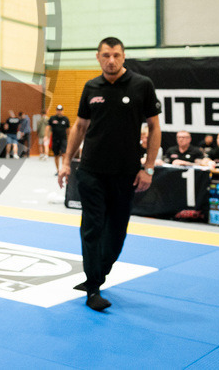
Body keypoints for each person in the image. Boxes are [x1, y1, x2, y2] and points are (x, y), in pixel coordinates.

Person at [58, 37, 160, 312]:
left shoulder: (142, 85)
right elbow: (80, 126)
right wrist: (67, 162)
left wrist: (148, 167)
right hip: (91, 171)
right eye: (105, 55)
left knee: (116, 232)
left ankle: (99, 272)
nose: (111, 60)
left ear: (124, 56)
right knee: (92, 227)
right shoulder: (91, 87)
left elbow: (154, 127)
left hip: (126, 172)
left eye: (115, 55)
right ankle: (93, 288)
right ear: (98, 57)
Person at [48, 105, 70, 176]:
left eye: (60, 110)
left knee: (64, 154)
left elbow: (68, 130)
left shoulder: (65, 119)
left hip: (63, 139)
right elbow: (48, 128)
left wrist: (69, 139)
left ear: (62, 111)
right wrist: (46, 136)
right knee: (56, 155)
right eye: (58, 110)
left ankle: (63, 169)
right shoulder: (52, 118)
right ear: (56, 110)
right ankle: (58, 170)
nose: (59, 111)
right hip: (55, 139)